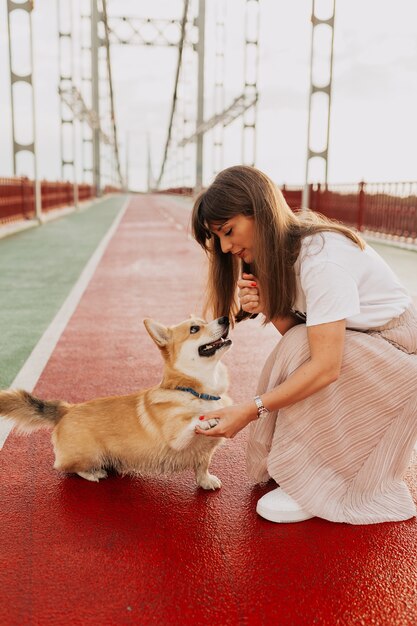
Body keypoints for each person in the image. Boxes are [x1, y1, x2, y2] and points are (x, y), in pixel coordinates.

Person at [191, 165, 417, 525]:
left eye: (228, 231)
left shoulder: (321, 259)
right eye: (217, 238)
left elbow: (325, 367)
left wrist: (250, 410)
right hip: (370, 345)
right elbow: (299, 336)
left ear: (258, 210)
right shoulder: (275, 254)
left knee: (316, 363)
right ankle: (307, 466)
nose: (225, 246)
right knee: (299, 346)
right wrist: (269, 305)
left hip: (402, 354)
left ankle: (321, 483)